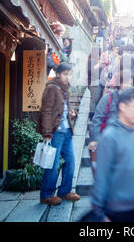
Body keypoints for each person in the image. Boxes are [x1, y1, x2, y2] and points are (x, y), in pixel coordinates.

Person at [90, 88, 134, 222]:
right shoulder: (110, 137)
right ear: (122, 106)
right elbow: (101, 176)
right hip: (118, 210)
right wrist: (99, 211)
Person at [37, 63, 80, 206]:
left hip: (66, 131)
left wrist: (72, 114)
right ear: (58, 74)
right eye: (65, 74)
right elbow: (46, 111)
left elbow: (62, 109)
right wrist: (47, 132)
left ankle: (65, 191)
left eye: (69, 74)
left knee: (71, 161)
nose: (68, 77)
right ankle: (46, 194)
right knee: (53, 164)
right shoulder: (51, 88)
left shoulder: (64, 89)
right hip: (55, 132)